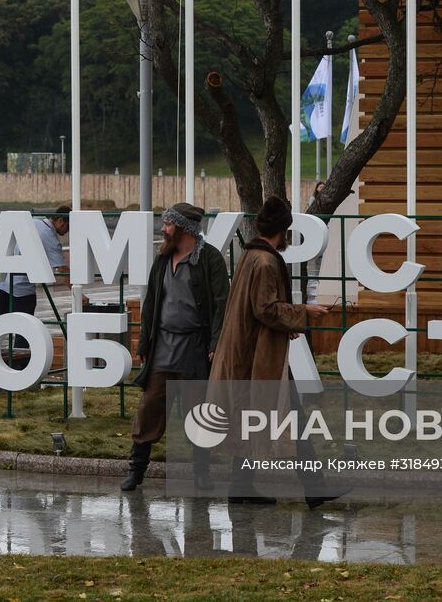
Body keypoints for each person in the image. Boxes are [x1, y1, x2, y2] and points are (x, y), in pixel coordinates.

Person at [209, 196, 336, 508]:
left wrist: (286, 322)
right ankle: (313, 487)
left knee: (255, 417)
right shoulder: (266, 262)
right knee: (292, 416)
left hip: (249, 350)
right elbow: (265, 308)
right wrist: (304, 311)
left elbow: (256, 309)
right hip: (258, 356)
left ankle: (242, 485)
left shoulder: (249, 255)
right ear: (284, 231)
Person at [120, 202, 230, 492]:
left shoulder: (210, 259)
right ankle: (136, 470)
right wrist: (144, 342)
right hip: (163, 347)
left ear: (185, 228)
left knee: (198, 413)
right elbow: (152, 302)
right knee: (149, 408)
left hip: (195, 346)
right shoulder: (163, 258)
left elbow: (222, 304)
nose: (163, 228)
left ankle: (201, 472)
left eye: (168, 223)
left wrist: (216, 342)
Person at [0, 205, 70, 339]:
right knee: (24, 332)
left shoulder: (34, 222)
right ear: (60, 221)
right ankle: (21, 357)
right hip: (22, 290)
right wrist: (78, 294)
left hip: (3, 283)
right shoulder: (50, 237)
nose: (68, 231)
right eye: (68, 227)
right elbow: (62, 270)